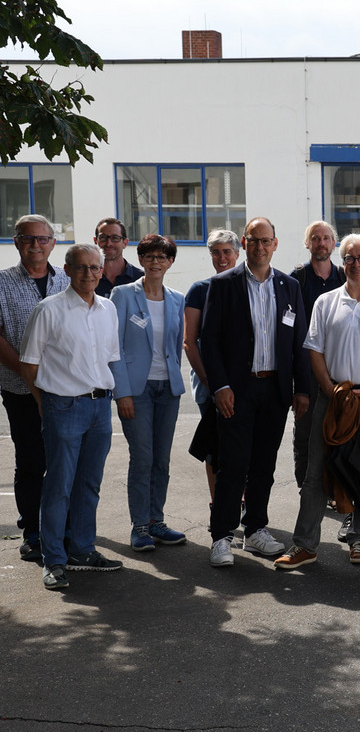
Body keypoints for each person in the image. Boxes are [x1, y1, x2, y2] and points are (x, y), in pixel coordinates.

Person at [275, 234, 360, 569]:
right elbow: (315, 351)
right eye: (349, 258)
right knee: (315, 473)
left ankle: (359, 539)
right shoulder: (326, 302)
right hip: (331, 398)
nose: (356, 264)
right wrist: (332, 392)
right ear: (342, 262)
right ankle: (305, 545)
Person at [200, 217, 311, 567]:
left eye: (266, 241)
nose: (260, 247)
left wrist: (302, 389)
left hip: (275, 389)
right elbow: (210, 342)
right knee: (232, 464)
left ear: (275, 244)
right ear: (244, 243)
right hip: (237, 389)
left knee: (264, 464)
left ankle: (255, 530)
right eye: (254, 240)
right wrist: (219, 386)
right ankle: (221, 537)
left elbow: (299, 343)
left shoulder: (289, 286)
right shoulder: (222, 285)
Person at [20, 244, 122, 590]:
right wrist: (43, 402)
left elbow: (108, 359)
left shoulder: (108, 308)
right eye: (82, 268)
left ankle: (81, 550)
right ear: (66, 270)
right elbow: (29, 363)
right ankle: (54, 560)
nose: (90, 274)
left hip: (99, 407)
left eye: (95, 268)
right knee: (59, 486)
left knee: (89, 484)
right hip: (63, 406)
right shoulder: (48, 310)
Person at [110, 234, 187, 552]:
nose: (156, 262)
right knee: (142, 458)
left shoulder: (176, 298)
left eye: (162, 257)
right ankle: (140, 525)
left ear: (170, 262)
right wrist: (122, 392)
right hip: (136, 392)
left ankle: (157, 521)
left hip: (167, 390)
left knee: (162, 460)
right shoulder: (123, 294)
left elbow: (177, 344)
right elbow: (111, 345)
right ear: (140, 259)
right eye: (150, 256)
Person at [0, 214, 68, 562]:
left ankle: (63, 528)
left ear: (53, 243)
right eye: (28, 238)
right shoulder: (1, 283)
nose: (36, 245)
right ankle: (33, 531)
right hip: (20, 389)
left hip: (64, 389)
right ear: (16, 242)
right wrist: (29, 375)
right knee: (31, 461)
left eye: (43, 239)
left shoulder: (69, 280)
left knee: (64, 460)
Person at [184, 229, 241, 502]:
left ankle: (241, 504)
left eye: (226, 251)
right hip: (210, 385)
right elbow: (189, 342)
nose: (221, 258)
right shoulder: (199, 290)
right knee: (215, 448)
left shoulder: (247, 286)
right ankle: (218, 505)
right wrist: (211, 381)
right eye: (216, 252)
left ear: (237, 254)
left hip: (245, 384)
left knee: (244, 448)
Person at [290, 221, 345, 489]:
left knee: (338, 431)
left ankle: (334, 487)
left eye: (326, 238)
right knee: (305, 433)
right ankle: (307, 486)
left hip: (339, 368)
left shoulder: (345, 277)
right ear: (307, 243)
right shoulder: (296, 278)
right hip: (306, 371)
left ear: (334, 244)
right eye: (315, 238)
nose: (321, 243)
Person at [94, 217, 144, 298]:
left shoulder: (140, 279)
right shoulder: (89, 278)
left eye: (115, 238)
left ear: (125, 243)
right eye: (103, 238)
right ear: (96, 241)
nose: (108, 243)